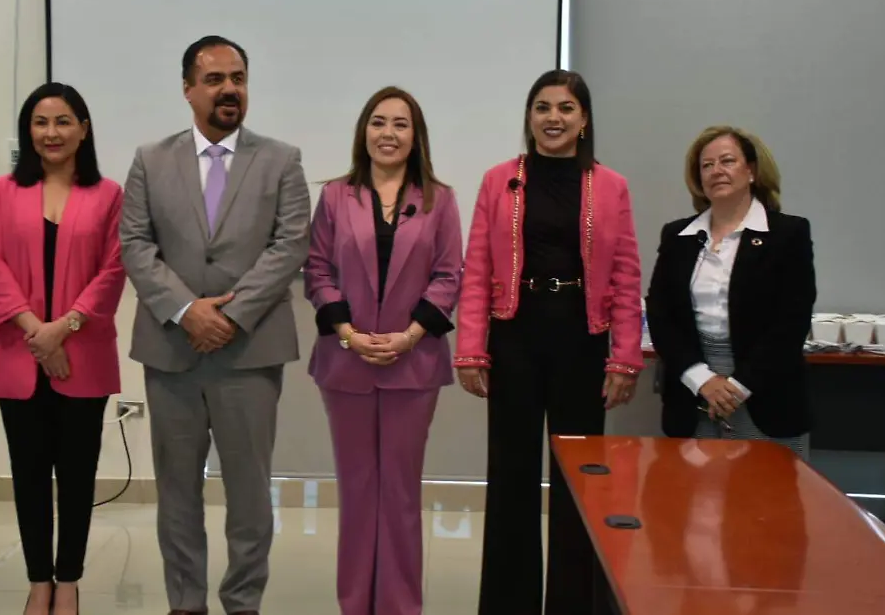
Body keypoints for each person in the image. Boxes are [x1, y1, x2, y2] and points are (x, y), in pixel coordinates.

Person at [120, 35, 311, 615]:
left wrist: (228, 314)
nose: (229, 89)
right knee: (177, 493)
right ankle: (185, 602)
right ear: (187, 89)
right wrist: (186, 310)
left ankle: (242, 602)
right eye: (214, 79)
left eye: (238, 78)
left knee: (250, 494)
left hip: (249, 353)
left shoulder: (282, 159)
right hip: (171, 351)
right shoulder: (150, 160)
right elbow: (135, 243)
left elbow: (290, 244)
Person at [454, 69, 644, 614]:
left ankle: (572, 604)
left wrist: (624, 358)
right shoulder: (498, 181)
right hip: (514, 337)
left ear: (584, 120)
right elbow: (476, 270)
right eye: (542, 107)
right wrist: (472, 347)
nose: (553, 118)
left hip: (582, 342)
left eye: (565, 108)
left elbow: (627, 275)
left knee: (578, 482)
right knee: (511, 477)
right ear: (529, 117)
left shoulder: (611, 186)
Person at [304, 86, 462, 615]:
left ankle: (398, 606)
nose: (388, 133)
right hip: (346, 360)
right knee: (356, 491)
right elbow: (318, 270)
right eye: (378, 122)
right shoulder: (334, 197)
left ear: (415, 136)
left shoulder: (439, 198)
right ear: (363, 132)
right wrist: (347, 333)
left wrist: (410, 335)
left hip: (411, 364)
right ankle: (355, 603)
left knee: (398, 493)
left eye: (400, 124)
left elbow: (447, 277)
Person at [0, 83, 126, 615]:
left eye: (63, 121)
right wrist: (37, 334)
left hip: (82, 353)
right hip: (20, 352)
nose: (51, 133)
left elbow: (113, 270)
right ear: (29, 132)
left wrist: (64, 327)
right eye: (40, 123)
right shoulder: (4, 191)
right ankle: (38, 579)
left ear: (83, 129)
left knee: (78, 472)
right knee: (30, 472)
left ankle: (69, 582)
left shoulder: (108, 194)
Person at [646, 126, 816, 457]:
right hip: (692, 392)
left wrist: (736, 387)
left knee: (767, 504)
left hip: (766, 393)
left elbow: (791, 321)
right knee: (695, 504)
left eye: (727, 161)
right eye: (706, 165)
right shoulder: (677, 235)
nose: (716, 171)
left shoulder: (788, 234)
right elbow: (660, 314)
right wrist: (702, 380)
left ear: (751, 170)